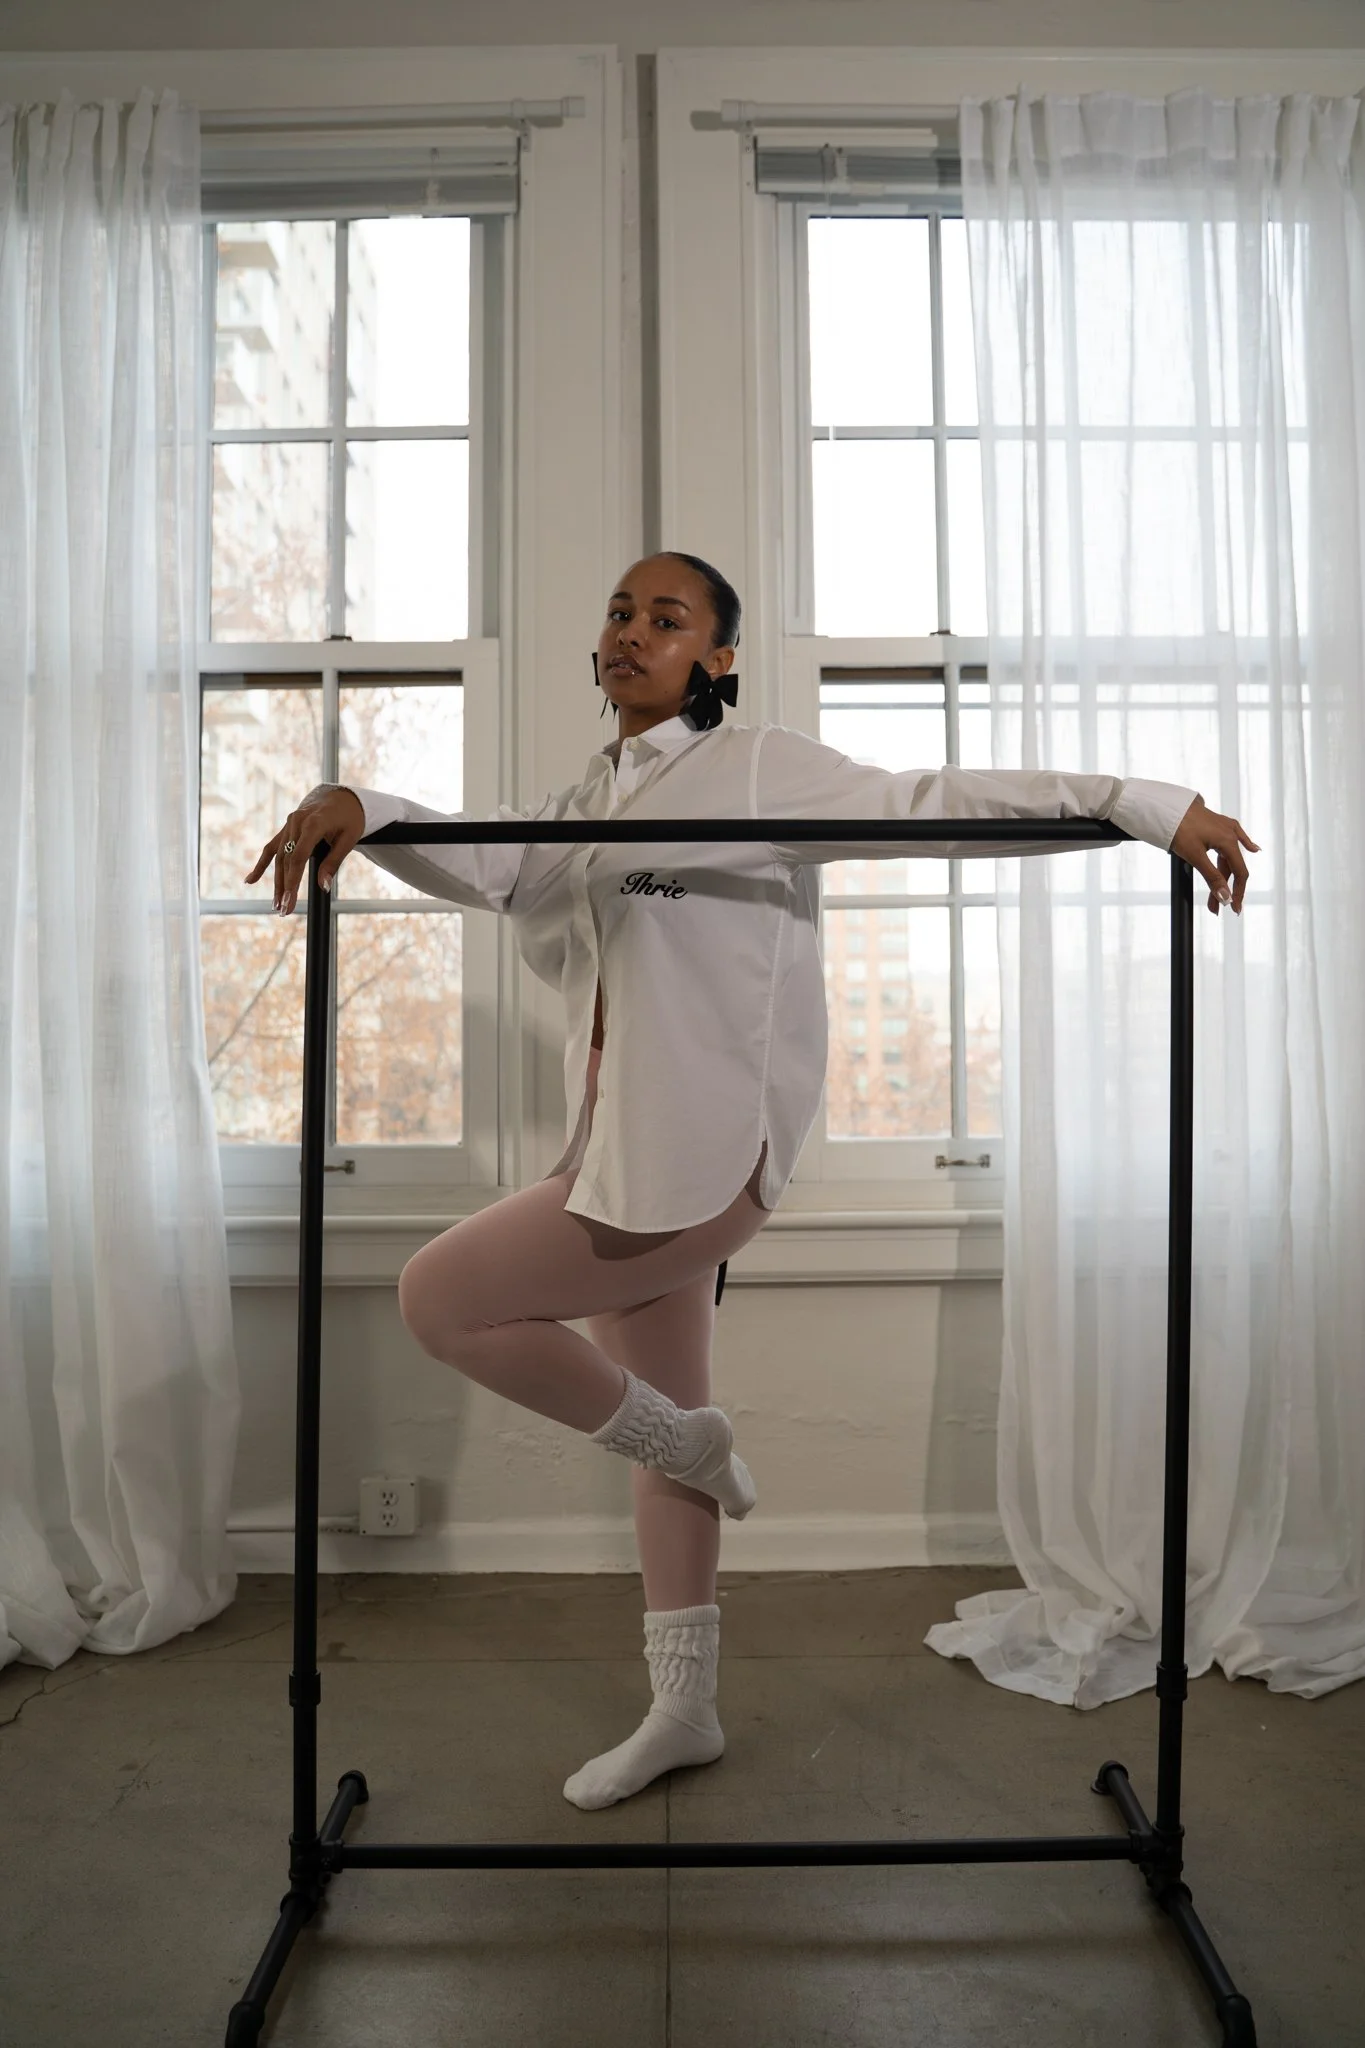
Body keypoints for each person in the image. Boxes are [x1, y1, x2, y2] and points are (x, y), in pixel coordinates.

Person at [246, 550, 1258, 1811]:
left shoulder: (762, 764)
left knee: (440, 1298)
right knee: (655, 1412)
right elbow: (500, 867)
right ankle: (687, 1705)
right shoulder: (597, 791)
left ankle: (697, 1442)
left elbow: (932, 795)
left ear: (716, 658)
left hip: (707, 1157)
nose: (631, 631)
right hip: (615, 1153)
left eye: (667, 618)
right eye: (619, 610)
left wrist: (1144, 804)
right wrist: (364, 802)